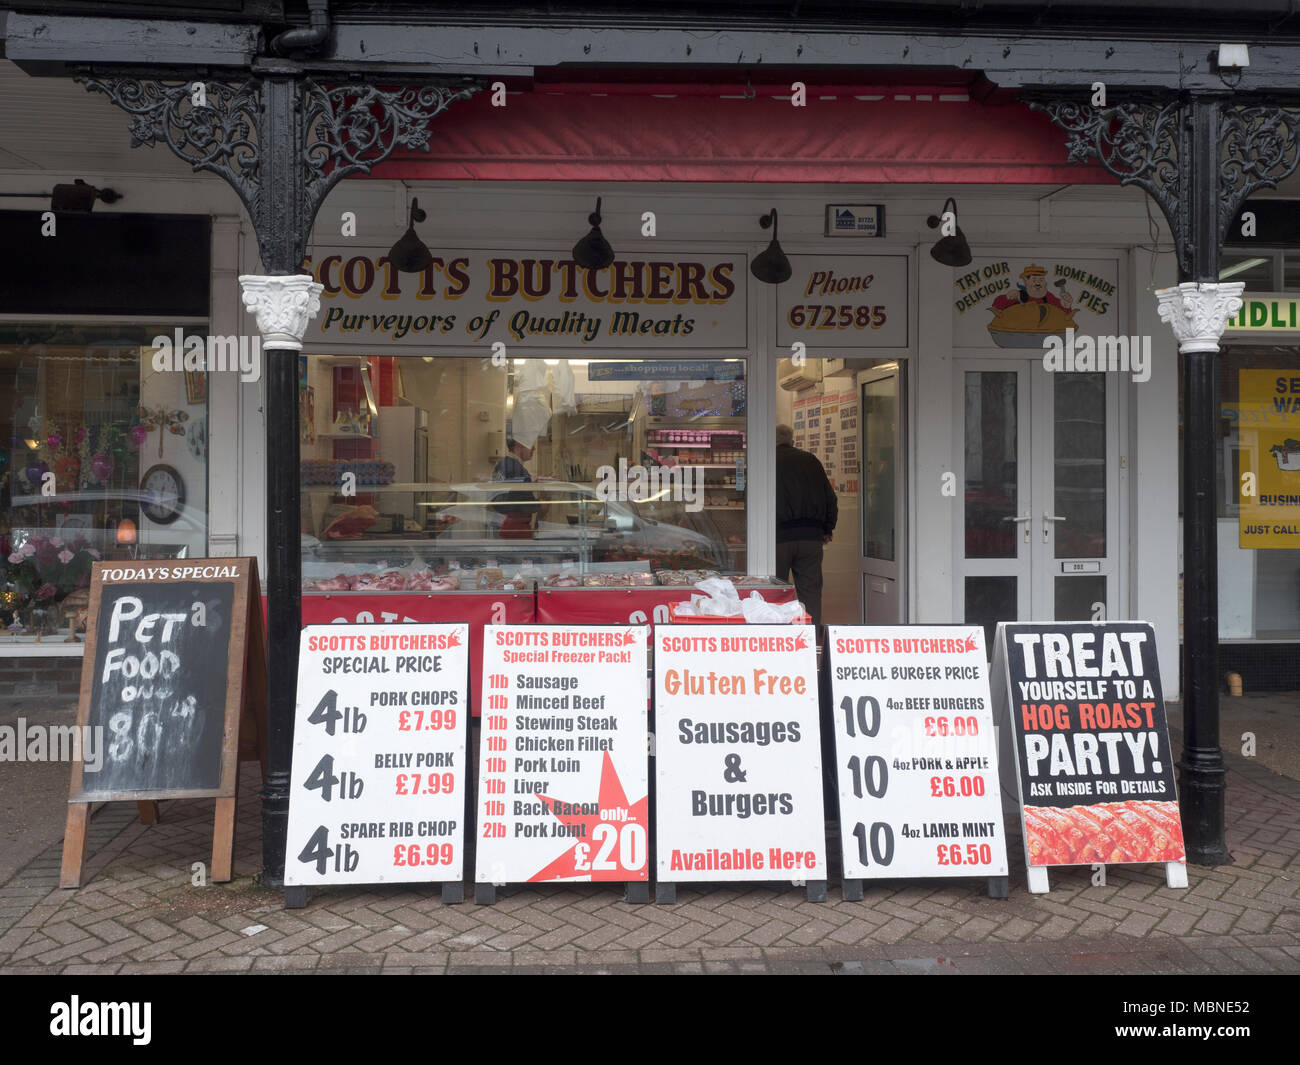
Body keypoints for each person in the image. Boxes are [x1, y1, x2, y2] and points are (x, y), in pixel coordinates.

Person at [775, 423, 837, 629]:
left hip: (777, 538)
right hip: (811, 538)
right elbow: (830, 498)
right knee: (810, 592)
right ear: (791, 440)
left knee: (776, 591)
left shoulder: (767, 460)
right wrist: (827, 528)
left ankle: (777, 637)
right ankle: (811, 638)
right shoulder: (811, 461)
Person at [492, 437, 541, 539]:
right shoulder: (515, 468)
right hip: (516, 529)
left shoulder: (504, 463)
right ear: (519, 445)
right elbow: (522, 504)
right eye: (531, 444)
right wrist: (541, 503)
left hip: (506, 526)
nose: (534, 448)